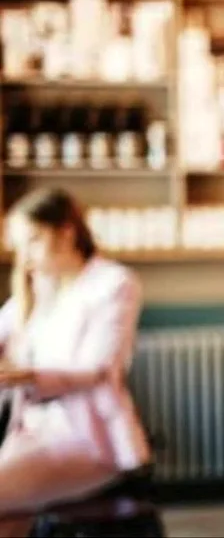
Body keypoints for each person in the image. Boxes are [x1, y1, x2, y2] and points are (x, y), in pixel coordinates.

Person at [0, 188, 150, 537]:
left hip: (89, 440)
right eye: (19, 244)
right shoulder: (39, 286)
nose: (25, 256)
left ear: (67, 232)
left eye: (34, 240)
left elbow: (99, 368)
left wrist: (24, 376)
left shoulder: (114, 283)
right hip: (34, 432)